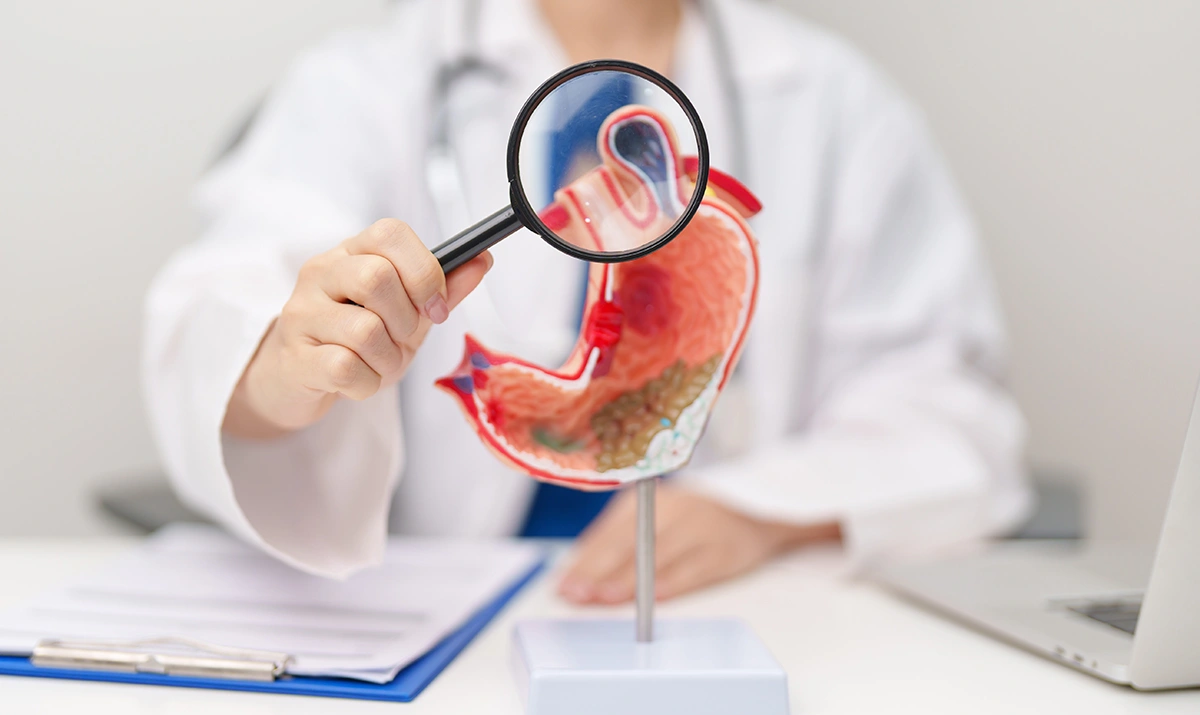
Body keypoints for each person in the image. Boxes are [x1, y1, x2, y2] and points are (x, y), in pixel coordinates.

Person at [143, 0, 1030, 602]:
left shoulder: (837, 104)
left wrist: (764, 508)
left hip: (736, 615)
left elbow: (943, 404)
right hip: (445, 630)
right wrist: (283, 365)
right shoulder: (366, 84)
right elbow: (222, 313)